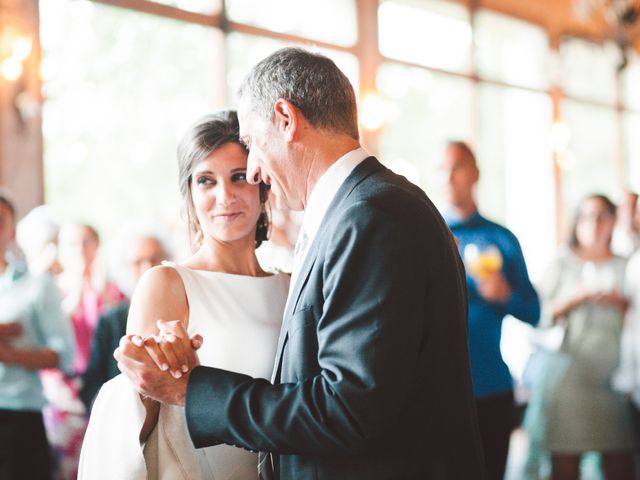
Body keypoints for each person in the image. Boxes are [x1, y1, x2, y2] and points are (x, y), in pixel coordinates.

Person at [116, 47, 485, 479]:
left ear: (286, 120)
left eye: (252, 145)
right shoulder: (368, 207)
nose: (253, 171)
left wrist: (193, 390)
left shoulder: (370, 217)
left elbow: (347, 407)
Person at [79, 110, 289, 479]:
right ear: (190, 195)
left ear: (262, 184)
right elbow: (138, 413)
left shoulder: (292, 284)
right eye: (206, 181)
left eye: (238, 177)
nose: (225, 196)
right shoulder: (167, 283)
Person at [439, 141, 540, 480]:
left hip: (492, 388)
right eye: (442, 169)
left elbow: (535, 311)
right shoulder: (426, 236)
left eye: (457, 167)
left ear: (475, 173)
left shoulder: (502, 239)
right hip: (439, 393)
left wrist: (505, 295)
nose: (449, 177)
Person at [539, 194, 634, 480]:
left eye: (600, 216)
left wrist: (621, 303)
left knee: (621, 464)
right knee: (565, 465)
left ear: (612, 221)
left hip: (616, 381)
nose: (592, 224)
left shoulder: (627, 264)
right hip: (571, 379)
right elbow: (538, 316)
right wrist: (575, 298)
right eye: (586, 216)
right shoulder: (562, 262)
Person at [0, 193, 75, 480]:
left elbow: (64, 354)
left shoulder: (38, 287)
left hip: (18, 417)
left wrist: (10, 355)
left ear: (12, 231)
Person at [79, 230, 171, 411]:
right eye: (138, 262)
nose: (147, 268)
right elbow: (91, 385)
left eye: (155, 259)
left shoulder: (183, 311)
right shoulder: (111, 320)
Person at [612, 190, 640, 258]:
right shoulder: (609, 237)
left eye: (633, 208)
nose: (629, 213)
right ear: (618, 211)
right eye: (626, 208)